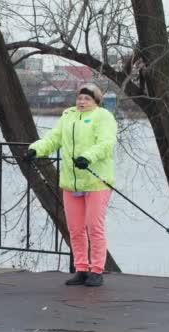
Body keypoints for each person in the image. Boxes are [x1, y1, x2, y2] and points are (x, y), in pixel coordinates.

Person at [25, 83, 117, 287]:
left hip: (96, 181)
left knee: (94, 227)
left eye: (87, 98)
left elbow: (106, 143)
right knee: (75, 229)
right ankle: (81, 268)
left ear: (96, 101)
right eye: (80, 98)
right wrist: (35, 150)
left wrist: (87, 157)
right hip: (71, 182)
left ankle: (97, 271)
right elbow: (53, 139)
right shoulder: (68, 116)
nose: (82, 102)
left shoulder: (104, 117)